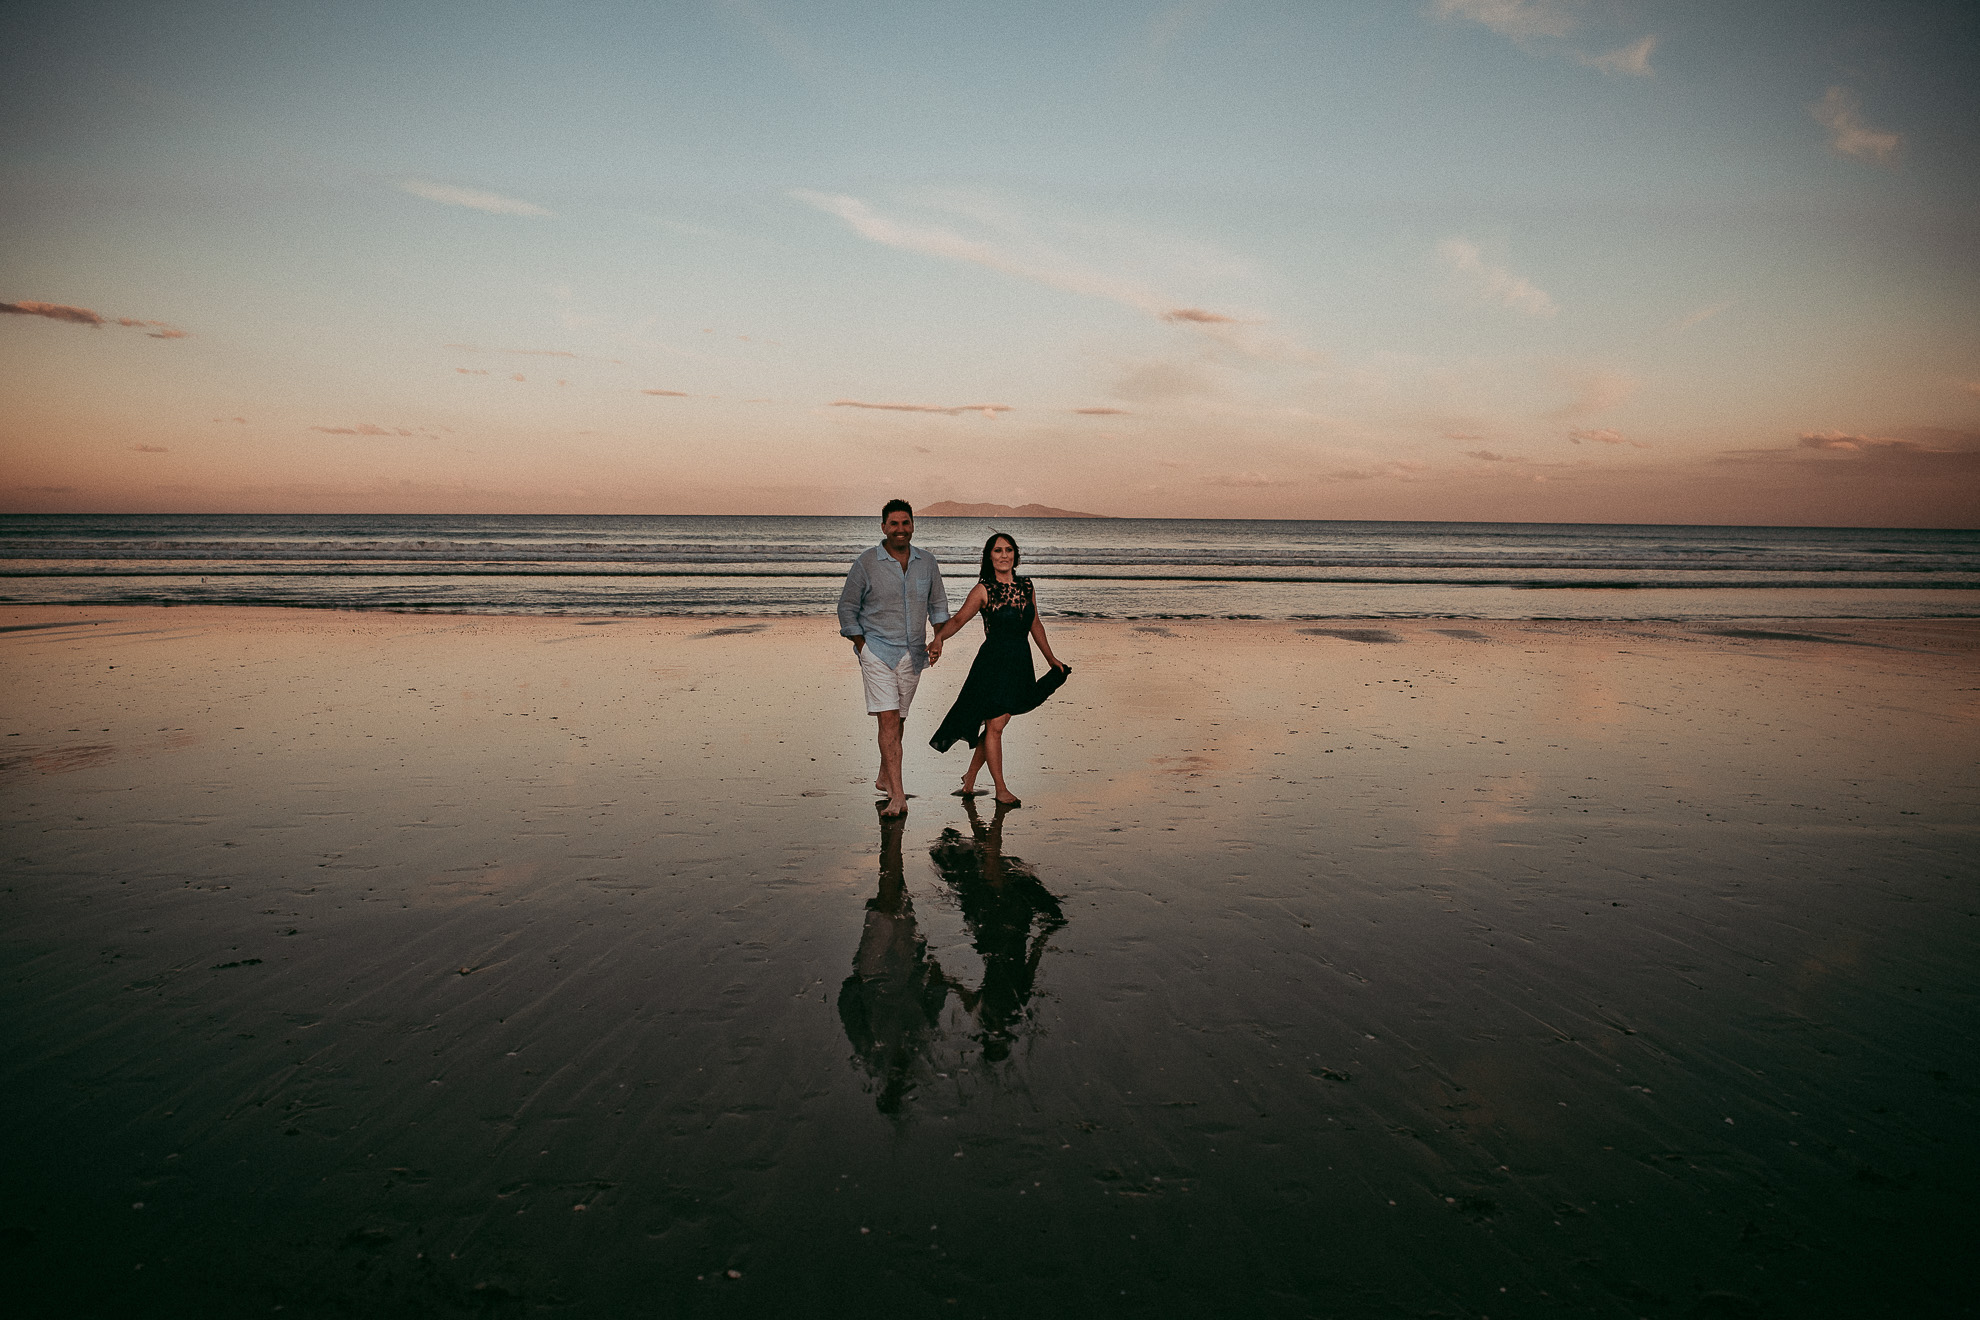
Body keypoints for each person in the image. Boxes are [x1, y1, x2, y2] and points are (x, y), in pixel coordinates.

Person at [925, 532, 1070, 806]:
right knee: (995, 725)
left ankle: (969, 778)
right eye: (997, 550)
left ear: (1015, 554)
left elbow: (1034, 624)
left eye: (1008, 550)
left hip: (1019, 663)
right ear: (989, 556)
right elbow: (958, 620)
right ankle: (1001, 789)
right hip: (992, 664)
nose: (1004, 555)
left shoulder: (1027, 586)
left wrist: (1051, 659)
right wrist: (939, 638)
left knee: (998, 723)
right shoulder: (983, 590)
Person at [838, 499, 951, 817]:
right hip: (877, 651)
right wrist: (862, 646)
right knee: (888, 720)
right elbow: (847, 607)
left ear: (912, 525)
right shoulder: (867, 562)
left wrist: (938, 638)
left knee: (898, 720)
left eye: (906, 523)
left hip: (913, 654)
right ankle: (897, 796)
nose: (900, 529)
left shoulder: (927, 562)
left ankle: (883, 776)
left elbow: (939, 606)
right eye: (894, 523)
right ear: (884, 527)